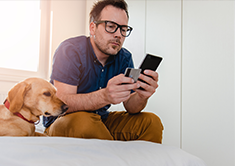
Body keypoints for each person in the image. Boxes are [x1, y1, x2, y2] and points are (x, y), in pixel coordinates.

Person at [43, 0, 163, 144]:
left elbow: (131, 106)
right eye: (111, 27)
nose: (118, 34)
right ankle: (116, 157)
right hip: (64, 120)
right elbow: (62, 103)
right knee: (83, 122)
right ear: (93, 28)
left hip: (101, 120)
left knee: (151, 122)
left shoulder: (124, 57)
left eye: (123, 29)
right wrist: (105, 96)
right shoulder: (70, 50)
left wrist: (142, 96)